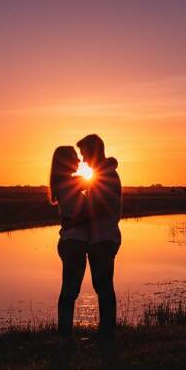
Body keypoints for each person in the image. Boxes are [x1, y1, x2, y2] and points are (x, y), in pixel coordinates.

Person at [77, 134, 122, 338]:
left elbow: (100, 208)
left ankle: (107, 331)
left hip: (103, 238)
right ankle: (107, 330)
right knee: (102, 285)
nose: (83, 160)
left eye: (84, 154)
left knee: (103, 285)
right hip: (104, 237)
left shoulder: (106, 176)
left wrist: (78, 209)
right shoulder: (104, 173)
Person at [48, 145, 90, 335]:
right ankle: (64, 335)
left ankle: (64, 333)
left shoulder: (64, 183)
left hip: (70, 242)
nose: (79, 161)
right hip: (74, 243)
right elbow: (99, 181)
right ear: (64, 161)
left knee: (70, 291)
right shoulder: (69, 183)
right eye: (74, 157)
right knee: (69, 292)